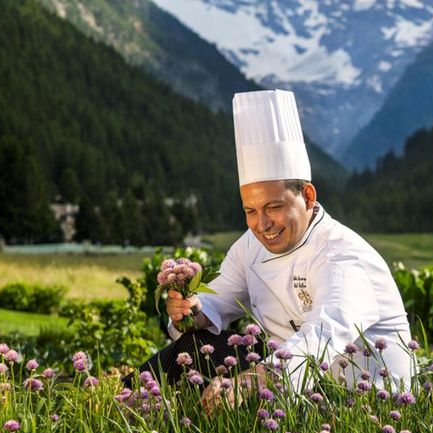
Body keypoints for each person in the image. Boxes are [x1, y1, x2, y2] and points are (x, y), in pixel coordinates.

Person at [124, 89, 415, 409]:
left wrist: (252, 380)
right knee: (199, 345)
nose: (262, 224)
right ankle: (120, 399)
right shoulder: (250, 247)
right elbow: (212, 304)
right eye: (250, 210)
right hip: (291, 386)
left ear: (307, 196)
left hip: (368, 401)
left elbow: (323, 337)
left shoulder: (343, 255)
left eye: (273, 207)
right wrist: (188, 311)